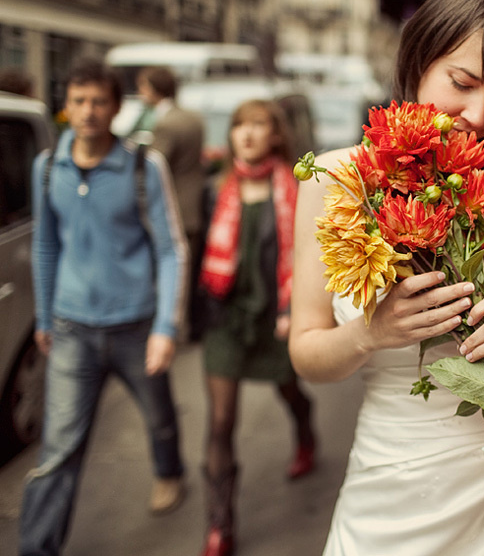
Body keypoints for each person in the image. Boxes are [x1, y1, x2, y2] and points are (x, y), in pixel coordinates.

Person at [290, 0, 484, 556]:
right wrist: (370, 333)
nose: (479, 114)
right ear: (419, 59)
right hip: (394, 477)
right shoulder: (334, 179)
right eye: (462, 82)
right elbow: (307, 353)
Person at [20, 59, 188, 556]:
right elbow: (46, 245)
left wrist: (166, 326)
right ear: (64, 108)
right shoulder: (47, 166)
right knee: (58, 449)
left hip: (137, 325)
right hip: (73, 328)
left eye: (99, 101)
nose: (89, 112)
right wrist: (46, 317)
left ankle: (169, 471)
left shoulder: (143, 166)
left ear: (116, 108)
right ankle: (37, 547)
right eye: (78, 101)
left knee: (159, 418)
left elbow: (170, 248)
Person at [197, 99, 316, 556]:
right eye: (238, 125)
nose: (246, 134)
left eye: (257, 125)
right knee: (221, 421)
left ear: (276, 135)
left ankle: (305, 433)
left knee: (288, 390)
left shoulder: (295, 189)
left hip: (276, 317)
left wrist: (296, 309)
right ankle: (220, 525)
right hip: (225, 319)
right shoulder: (215, 189)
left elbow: (306, 257)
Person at [136, 65, 207, 341]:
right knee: (190, 269)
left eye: (143, 87)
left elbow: (155, 166)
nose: (141, 94)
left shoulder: (166, 124)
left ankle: (175, 328)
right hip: (194, 203)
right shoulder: (192, 117)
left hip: (175, 206)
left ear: (155, 90)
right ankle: (189, 325)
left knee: (175, 270)